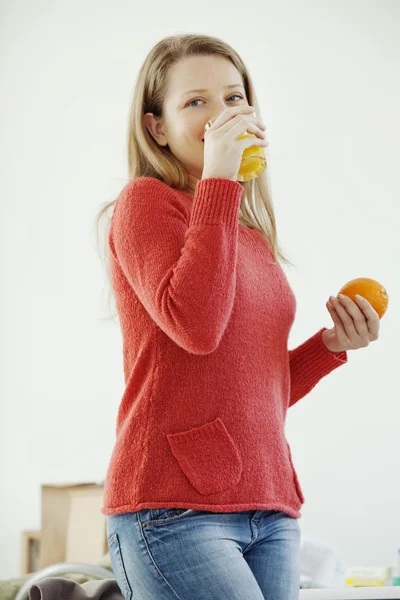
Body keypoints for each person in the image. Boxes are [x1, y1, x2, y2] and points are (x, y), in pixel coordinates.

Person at [95, 33, 351, 600]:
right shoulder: (145, 203)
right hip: (173, 509)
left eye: (235, 98)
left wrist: (331, 346)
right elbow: (196, 325)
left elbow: (254, 383)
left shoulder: (247, 233)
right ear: (157, 127)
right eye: (196, 102)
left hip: (271, 507)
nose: (223, 115)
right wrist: (217, 180)